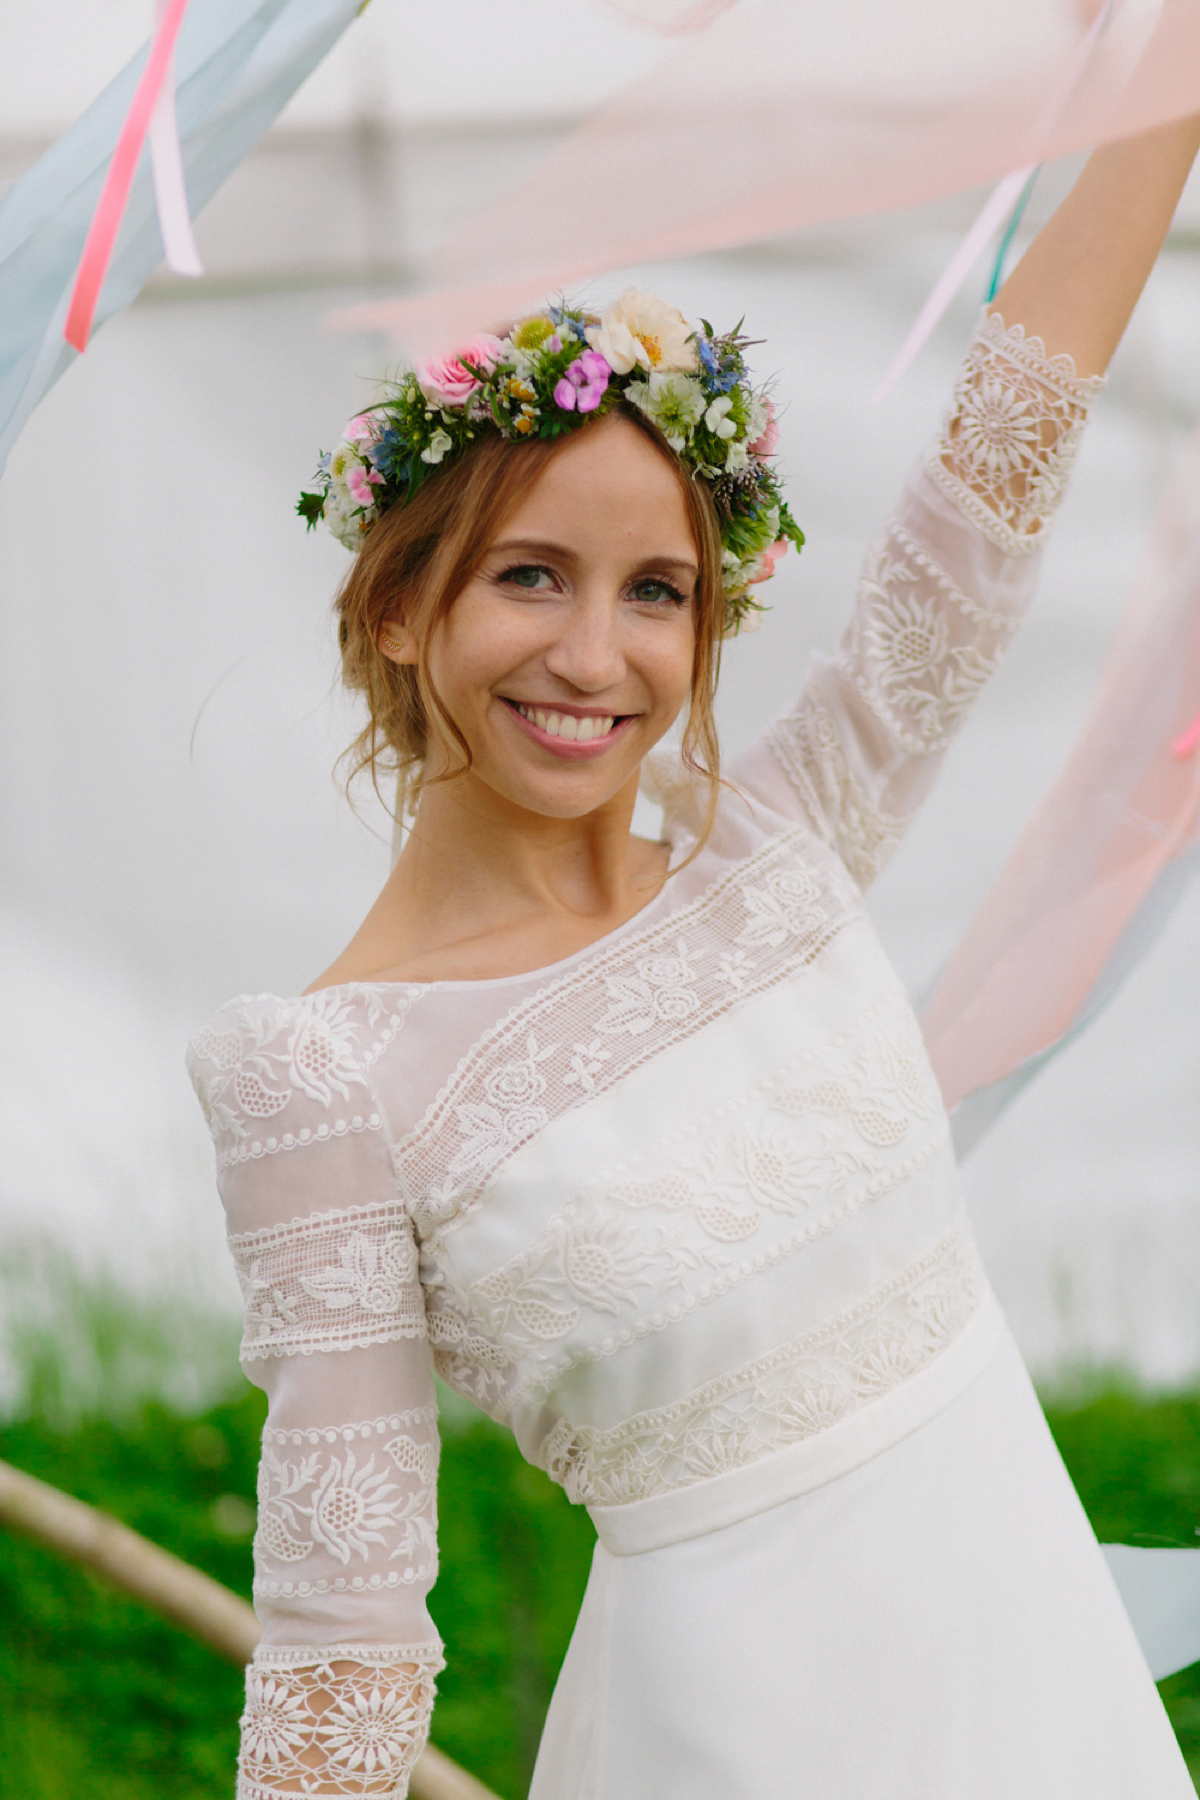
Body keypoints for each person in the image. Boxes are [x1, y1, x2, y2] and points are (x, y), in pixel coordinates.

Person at [188, 118, 1200, 1799]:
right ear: (395, 606)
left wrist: (1168, 78)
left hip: (1042, 1709)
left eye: (658, 591)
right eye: (530, 576)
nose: (596, 656)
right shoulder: (317, 1075)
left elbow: (992, 477)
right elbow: (342, 1634)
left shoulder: (783, 838)